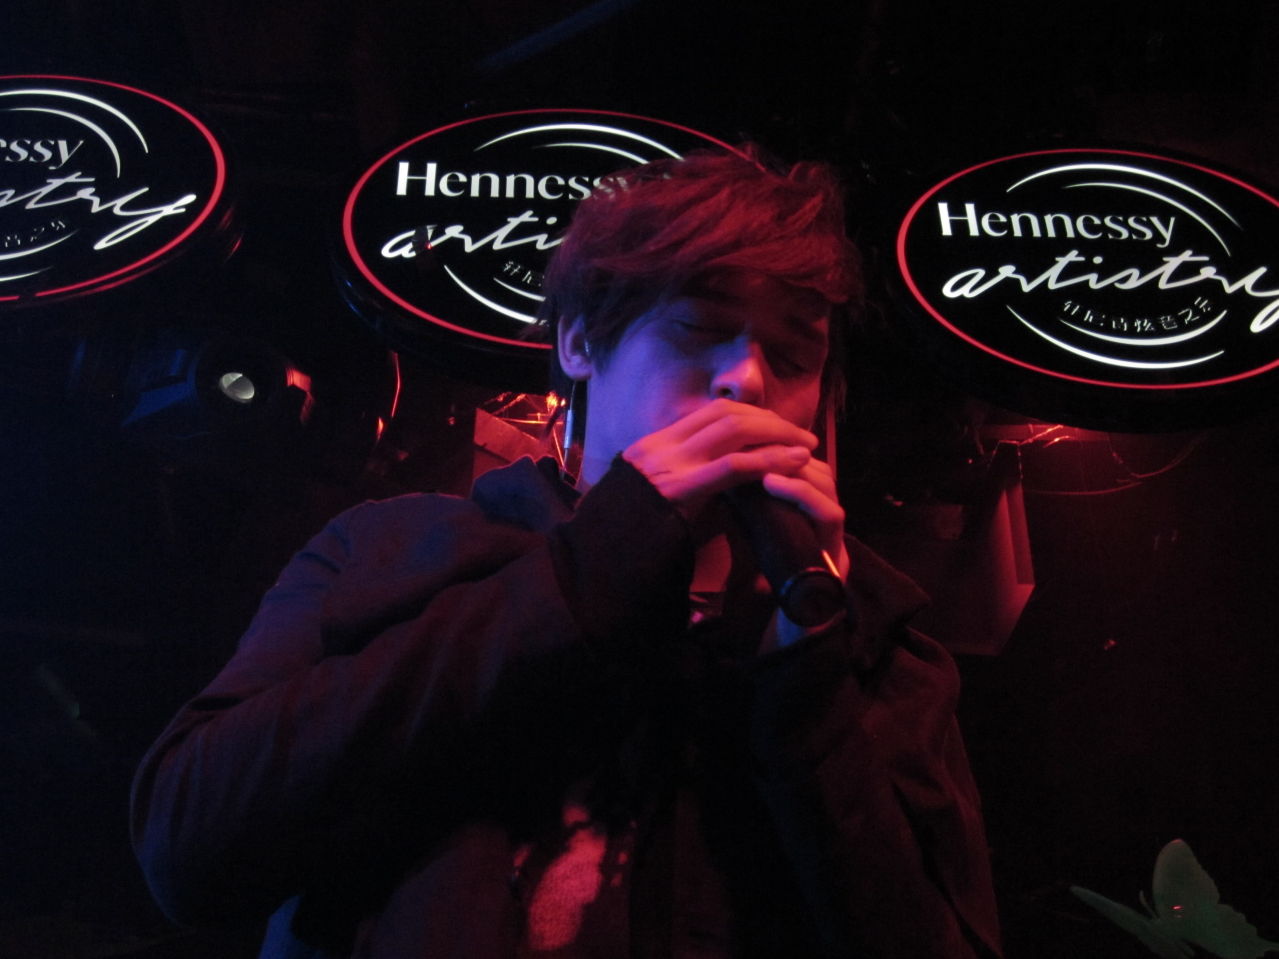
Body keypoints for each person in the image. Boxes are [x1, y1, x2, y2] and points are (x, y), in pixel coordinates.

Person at [130, 148, 1002, 958]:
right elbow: (190, 847)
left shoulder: (871, 636)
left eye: (792, 352)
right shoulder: (389, 550)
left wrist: (809, 694)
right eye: (698, 326)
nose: (745, 378)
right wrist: (588, 570)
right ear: (579, 342)